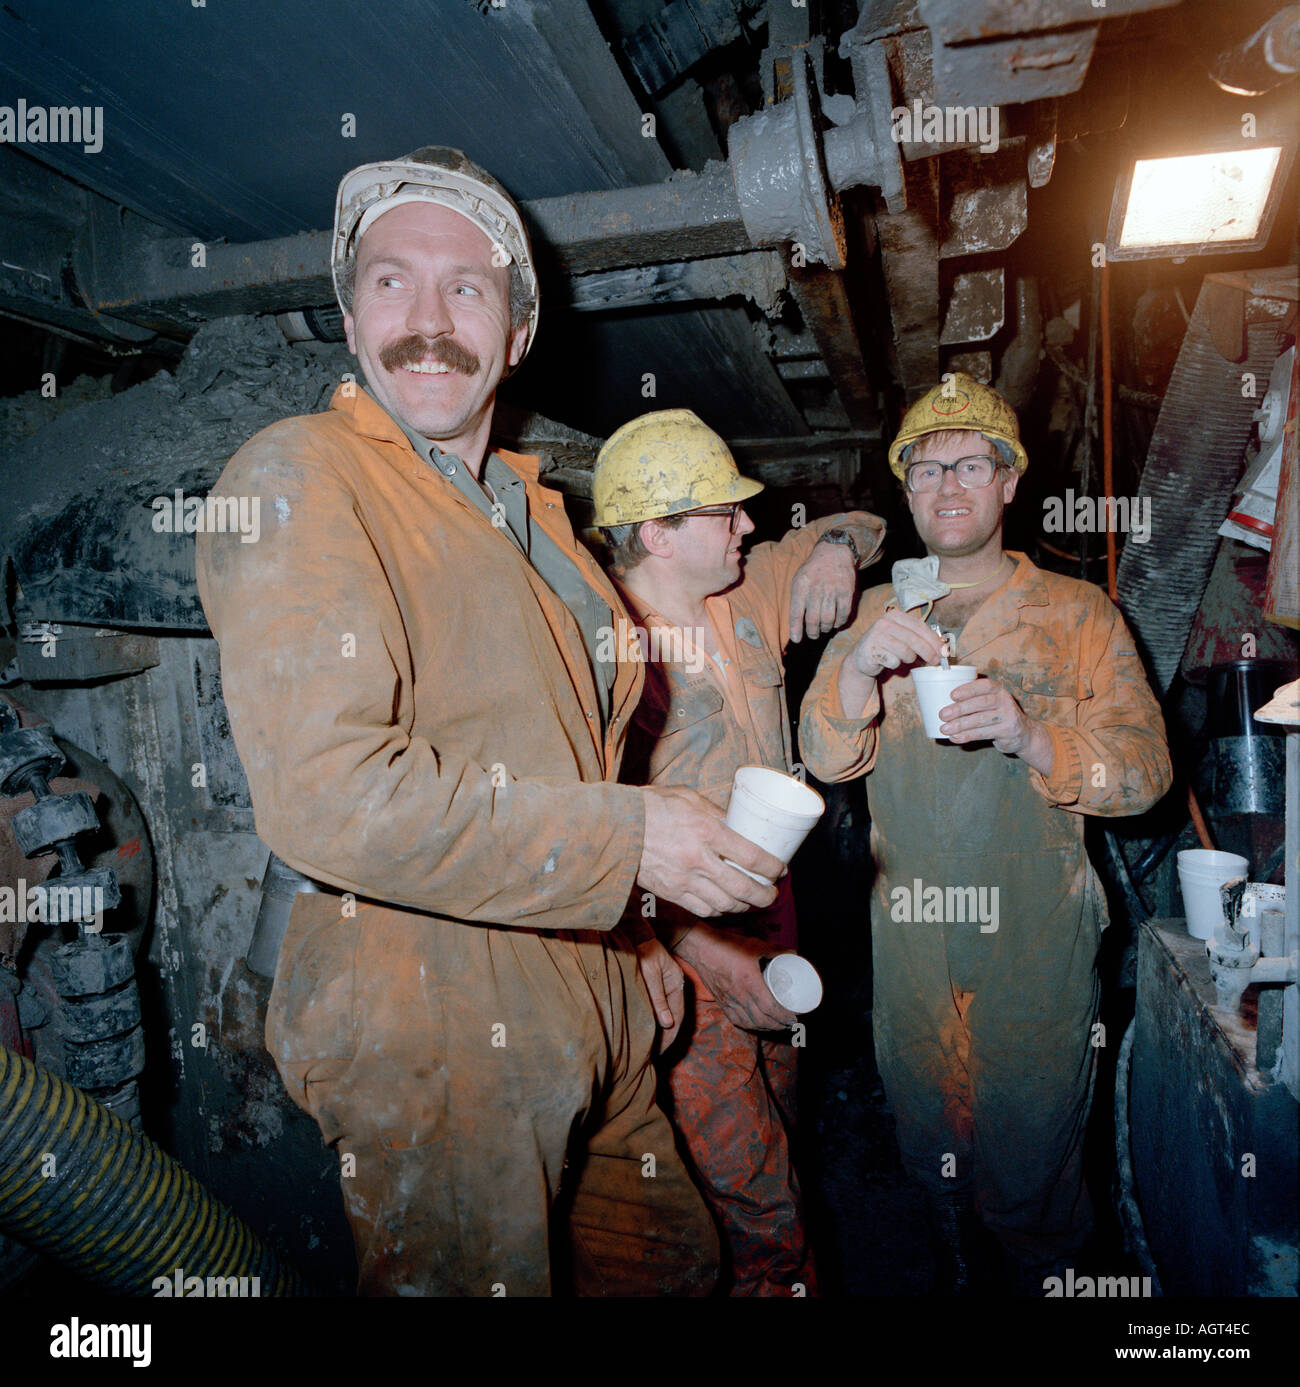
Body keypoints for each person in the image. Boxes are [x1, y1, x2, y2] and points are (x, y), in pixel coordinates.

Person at [195, 147, 791, 1297]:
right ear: (349, 313)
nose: (428, 320)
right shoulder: (304, 477)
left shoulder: (538, 515)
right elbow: (331, 794)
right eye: (391, 281)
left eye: (467, 287)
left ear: (516, 331)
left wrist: (631, 940)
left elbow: (572, 753)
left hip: (586, 974)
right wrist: (629, 849)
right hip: (432, 1014)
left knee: (674, 1263)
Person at [797, 373, 1171, 1293]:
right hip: (913, 942)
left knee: (1035, 1162)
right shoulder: (878, 613)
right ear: (907, 492)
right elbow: (820, 753)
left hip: (1034, 948)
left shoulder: (1080, 614)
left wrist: (1030, 733)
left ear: (1009, 483)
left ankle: (1044, 1273)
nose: (948, 485)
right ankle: (958, 1270)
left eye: (971, 464)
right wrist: (854, 679)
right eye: (925, 471)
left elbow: (1146, 770)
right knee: (934, 1149)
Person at [593, 408, 885, 1295]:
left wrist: (833, 546)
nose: (749, 525)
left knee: (784, 1135)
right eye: (726, 512)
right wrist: (701, 952)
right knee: (751, 1197)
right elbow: (597, 834)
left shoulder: (744, 591)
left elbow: (864, 526)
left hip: (776, 931)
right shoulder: (602, 650)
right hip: (682, 956)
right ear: (658, 533)